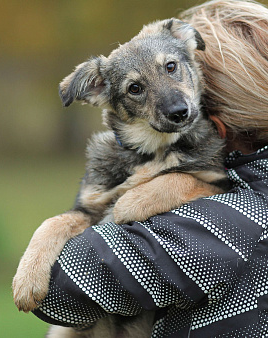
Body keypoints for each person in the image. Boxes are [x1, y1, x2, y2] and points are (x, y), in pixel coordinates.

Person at [33, 0, 268, 336]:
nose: (174, 102)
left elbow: (62, 288)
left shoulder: (238, 217)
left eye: (172, 68)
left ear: (216, 118)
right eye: (136, 89)